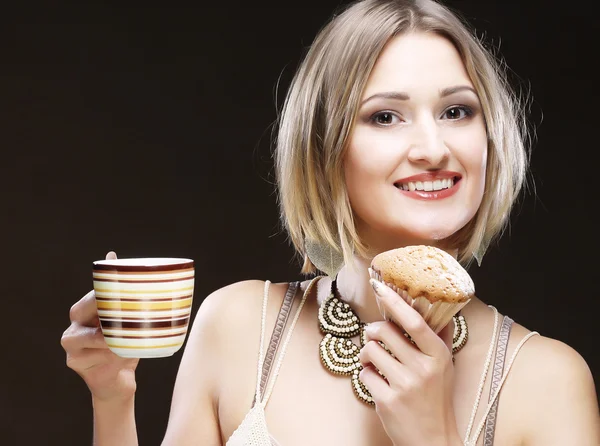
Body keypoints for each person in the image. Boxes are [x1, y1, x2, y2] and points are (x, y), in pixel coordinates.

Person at [61, 0, 600, 445]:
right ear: (323, 150)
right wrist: (113, 398)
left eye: (457, 111)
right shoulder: (236, 325)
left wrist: (433, 437)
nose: (434, 149)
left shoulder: (549, 382)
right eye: (385, 116)